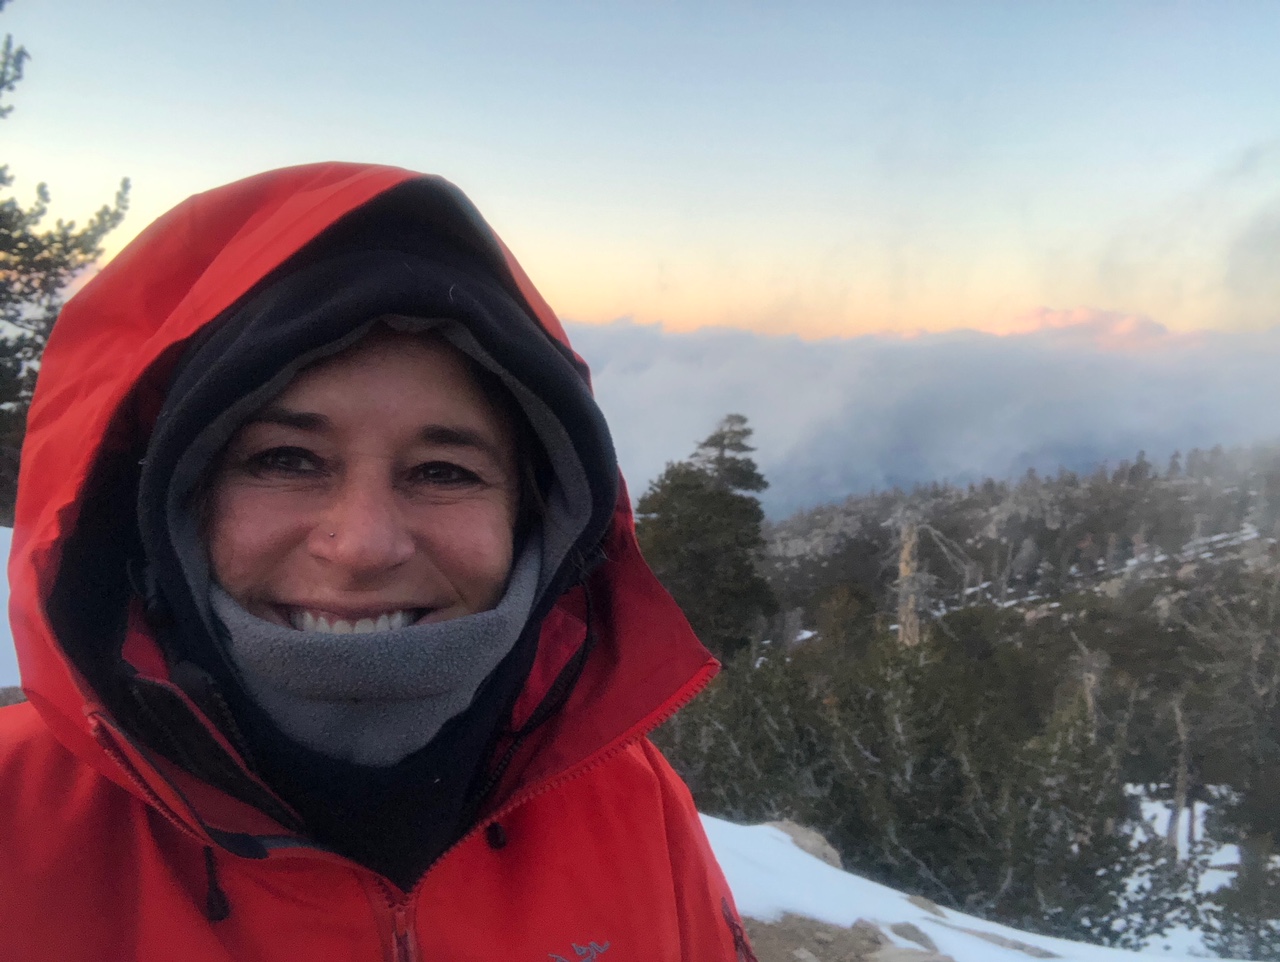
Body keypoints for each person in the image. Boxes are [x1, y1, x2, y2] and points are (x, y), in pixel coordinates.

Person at [0, 163, 758, 961]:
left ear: (536, 519)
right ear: (178, 506)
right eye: (287, 460)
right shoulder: (17, 820)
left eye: (444, 472)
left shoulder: (637, 809)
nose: (362, 546)